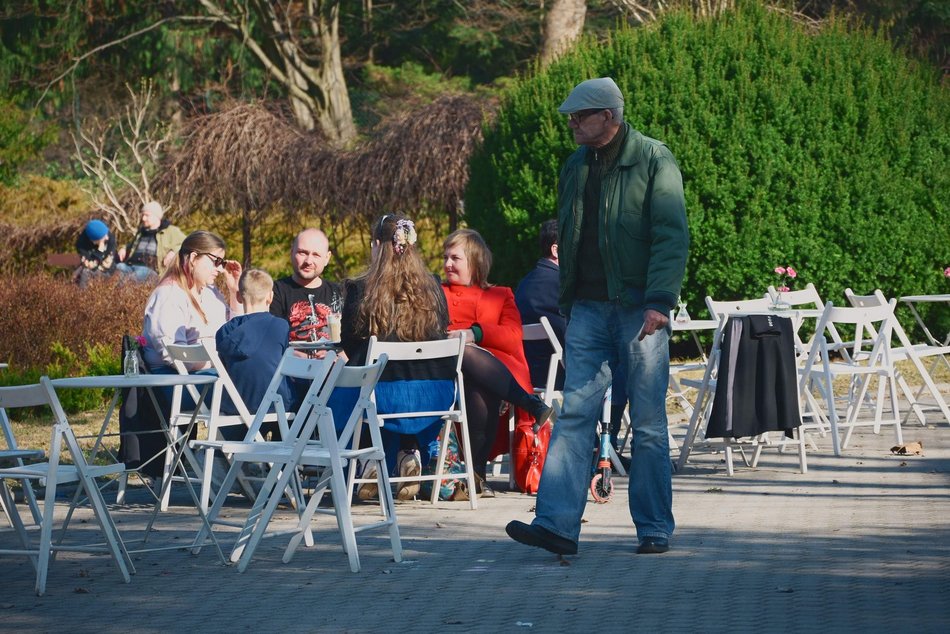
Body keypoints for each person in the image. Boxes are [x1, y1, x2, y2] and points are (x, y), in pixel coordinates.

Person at [506, 77, 689, 556]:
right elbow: (569, 237)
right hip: (586, 308)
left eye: (580, 116)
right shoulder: (574, 165)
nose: (571, 123)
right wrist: (568, 300)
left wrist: (659, 301)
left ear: (608, 116)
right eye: (570, 116)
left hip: (639, 310)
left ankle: (654, 527)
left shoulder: (654, 159)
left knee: (647, 422)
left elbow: (672, 235)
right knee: (574, 415)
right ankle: (556, 527)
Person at [339, 213, 456, 501]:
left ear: (377, 245)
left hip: (382, 399)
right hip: (435, 396)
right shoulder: (433, 287)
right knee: (397, 381)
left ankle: (369, 459)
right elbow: (442, 330)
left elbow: (350, 345)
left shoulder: (360, 289)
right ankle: (409, 451)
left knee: (357, 387)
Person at [442, 228, 555, 497]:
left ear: (474, 261)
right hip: (447, 368)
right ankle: (529, 402)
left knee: (480, 386)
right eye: (445, 257)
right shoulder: (437, 292)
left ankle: (476, 475)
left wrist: (477, 333)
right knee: (464, 352)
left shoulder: (501, 294)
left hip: (494, 373)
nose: (447, 264)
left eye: (455, 258)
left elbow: (513, 336)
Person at [215, 268, 294, 439]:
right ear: (270, 297)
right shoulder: (280, 326)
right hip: (275, 407)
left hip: (233, 407)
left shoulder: (224, 332)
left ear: (239, 297)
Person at [514, 219, 565, 391]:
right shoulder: (562, 285)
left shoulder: (524, 284)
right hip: (563, 373)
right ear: (555, 250)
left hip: (529, 374)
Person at [270, 228, 343, 344]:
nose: (308, 261)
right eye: (302, 253)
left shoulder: (340, 293)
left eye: (316, 255)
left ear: (327, 258)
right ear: (292, 252)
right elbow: (271, 340)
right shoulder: (274, 292)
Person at [122, 200, 186, 282]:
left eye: (147, 215)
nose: (143, 218)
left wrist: (173, 252)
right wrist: (123, 249)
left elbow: (187, 243)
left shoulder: (170, 231)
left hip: (151, 271)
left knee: (135, 276)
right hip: (131, 266)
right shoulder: (141, 232)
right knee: (119, 267)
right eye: (143, 215)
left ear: (157, 216)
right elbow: (131, 245)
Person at [75, 219, 122, 287]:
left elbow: (108, 264)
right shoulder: (82, 245)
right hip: (92, 271)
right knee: (82, 273)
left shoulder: (109, 237)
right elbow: (91, 265)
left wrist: (101, 252)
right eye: (103, 237)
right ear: (93, 241)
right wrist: (99, 251)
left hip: (108, 271)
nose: (107, 238)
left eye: (106, 234)